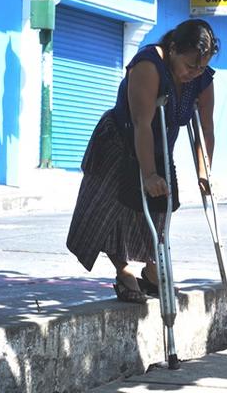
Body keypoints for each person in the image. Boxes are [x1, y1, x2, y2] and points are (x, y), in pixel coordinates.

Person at [67, 20, 218, 303]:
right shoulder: (148, 65)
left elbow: (206, 129)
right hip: (119, 143)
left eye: (200, 67)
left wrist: (203, 170)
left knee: (161, 209)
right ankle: (123, 272)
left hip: (160, 147)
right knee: (111, 211)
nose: (194, 73)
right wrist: (148, 174)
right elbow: (141, 124)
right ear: (173, 49)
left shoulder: (201, 77)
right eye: (189, 65)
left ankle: (151, 271)